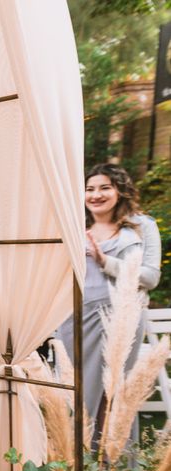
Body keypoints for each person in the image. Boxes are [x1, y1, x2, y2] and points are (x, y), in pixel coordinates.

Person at [58, 164, 161, 449]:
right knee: (76, 393)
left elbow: (151, 277)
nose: (96, 195)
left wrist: (106, 261)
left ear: (119, 190)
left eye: (104, 187)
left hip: (121, 318)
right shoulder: (75, 225)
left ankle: (112, 463)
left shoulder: (142, 225)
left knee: (114, 391)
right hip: (75, 319)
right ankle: (76, 460)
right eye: (89, 189)